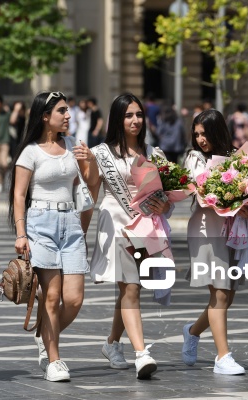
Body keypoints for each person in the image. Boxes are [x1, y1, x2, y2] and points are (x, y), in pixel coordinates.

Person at [9, 91, 98, 382]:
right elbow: (19, 195)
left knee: (74, 299)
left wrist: (90, 163)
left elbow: (89, 189)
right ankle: (55, 359)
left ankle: (45, 333)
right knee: (52, 296)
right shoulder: (30, 152)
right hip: (40, 224)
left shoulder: (75, 146)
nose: (68, 115)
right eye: (62, 111)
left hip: (70, 223)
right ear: (45, 116)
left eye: (68, 110)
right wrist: (21, 233)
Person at [87, 93, 170, 380]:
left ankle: (111, 343)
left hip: (146, 228)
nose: (134, 120)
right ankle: (141, 353)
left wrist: (165, 204)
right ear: (117, 119)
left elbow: (166, 196)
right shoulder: (102, 154)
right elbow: (91, 192)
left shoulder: (154, 153)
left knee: (129, 290)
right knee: (131, 288)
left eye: (138, 115)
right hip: (117, 225)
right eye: (128, 115)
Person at [181, 109, 248, 375]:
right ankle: (223, 357)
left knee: (228, 295)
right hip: (205, 229)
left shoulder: (236, 157)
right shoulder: (194, 158)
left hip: (232, 231)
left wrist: (246, 201)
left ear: (217, 131)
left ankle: (192, 331)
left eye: (204, 133)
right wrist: (235, 204)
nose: (200, 139)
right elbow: (202, 195)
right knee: (219, 293)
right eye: (196, 134)